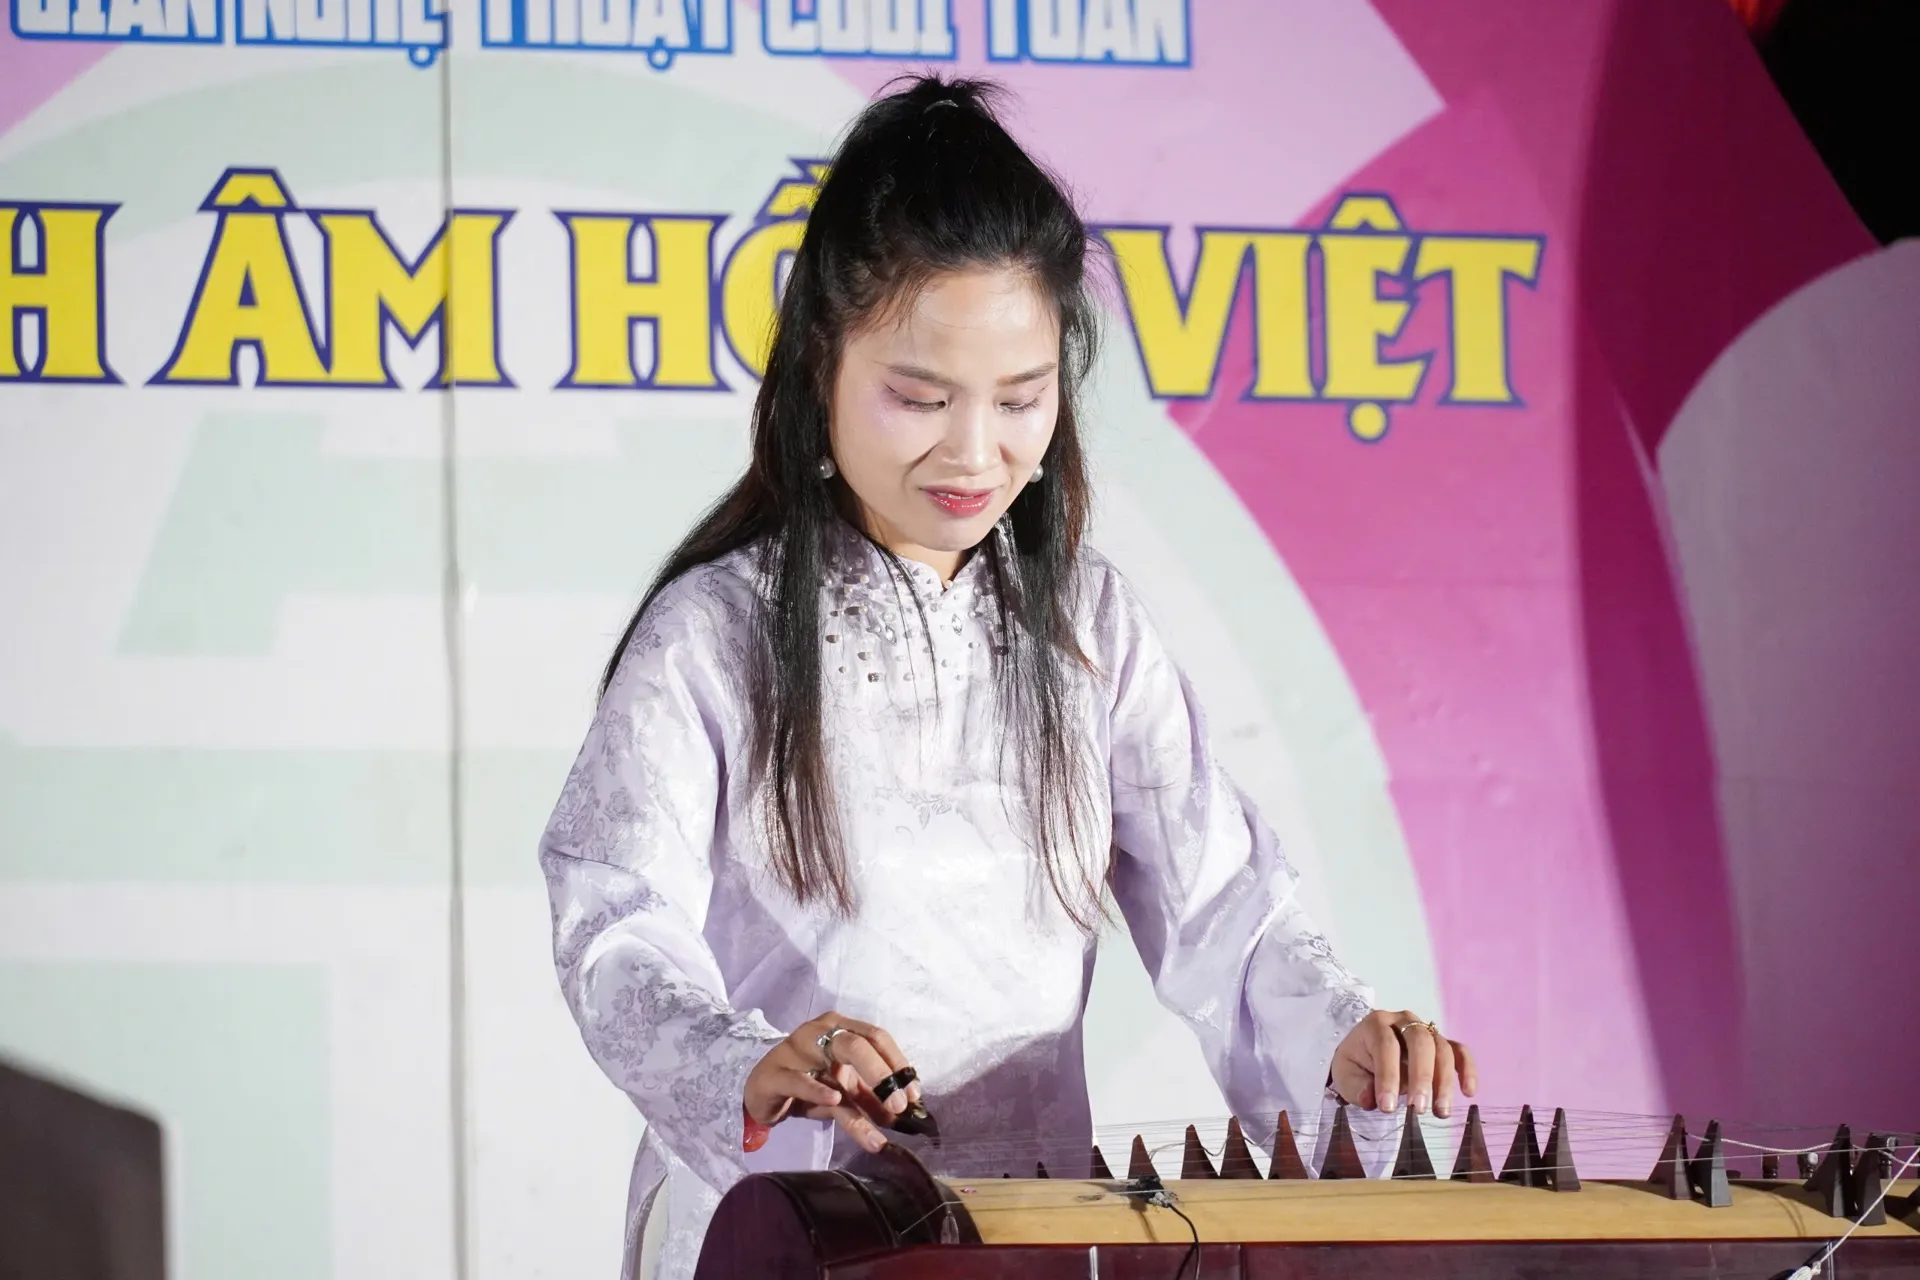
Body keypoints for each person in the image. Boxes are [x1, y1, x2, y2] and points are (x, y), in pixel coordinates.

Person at [538, 74, 1475, 1280]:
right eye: (919, 398)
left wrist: (1344, 1040)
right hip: (788, 1233)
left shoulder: (1087, 626)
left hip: (1026, 1235)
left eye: (1021, 399)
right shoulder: (715, 634)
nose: (976, 451)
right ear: (820, 368)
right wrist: (746, 1061)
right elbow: (618, 927)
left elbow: (1227, 919)